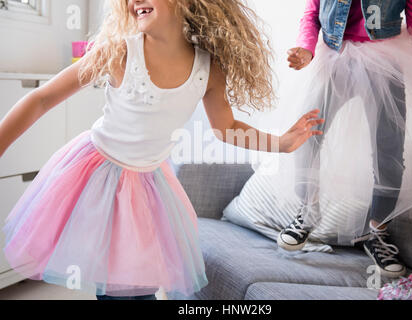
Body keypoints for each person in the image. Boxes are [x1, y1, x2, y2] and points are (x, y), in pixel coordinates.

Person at [0, 0, 324, 299]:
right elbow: (40, 99)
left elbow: (227, 128)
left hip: (146, 186)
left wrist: (280, 143)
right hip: (96, 176)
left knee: (137, 287)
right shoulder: (118, 52)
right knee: (116, 288)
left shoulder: (208, 68)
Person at [276, 0, 412, 278]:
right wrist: (306, 49)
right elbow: (312, 13)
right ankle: (308, 210)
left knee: (389, 150)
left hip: (385, 57)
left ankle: (377, 231)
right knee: (306, 134)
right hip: (334, 55)